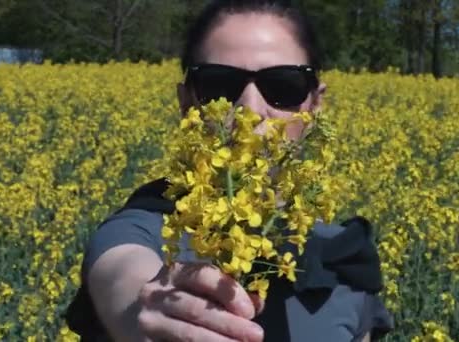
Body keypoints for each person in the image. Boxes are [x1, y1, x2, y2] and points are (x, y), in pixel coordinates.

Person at [65, 1, 394, 341]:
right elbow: (120, 270)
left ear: (315, 105)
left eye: (283, 86)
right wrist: (144, 309)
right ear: (187, 104)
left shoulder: (344, 260)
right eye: (219, 85)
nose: (249, 110)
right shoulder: (152, 225)